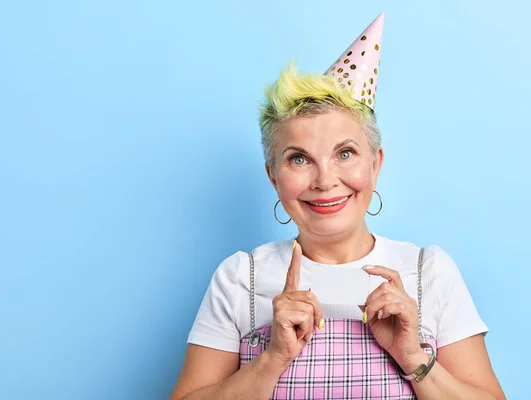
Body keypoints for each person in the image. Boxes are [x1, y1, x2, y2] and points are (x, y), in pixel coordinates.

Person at [170, 13, 505, 400]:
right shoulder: (239, 279)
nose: (325, 180)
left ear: (375, 164)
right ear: (272, 176)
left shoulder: (428, 273)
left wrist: (413, 358)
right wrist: (273, 358)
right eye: (299, 158)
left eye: (344, 153)